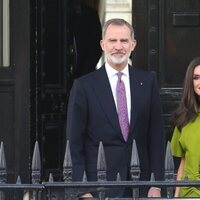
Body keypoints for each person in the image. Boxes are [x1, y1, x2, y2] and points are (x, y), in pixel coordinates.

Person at [66, 18, 164, 198]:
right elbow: (74, 142)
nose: (118, 46)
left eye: (124, 41)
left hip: (141, 185)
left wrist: (156, 185)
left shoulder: (148, 82)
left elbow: (156, 137)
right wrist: (83, 189)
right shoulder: (84, 86)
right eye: (112, 40)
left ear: (133, 45)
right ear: (103, 44)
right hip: (99, 187)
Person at [171, 57, 200, 197]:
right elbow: (183, 161)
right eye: (196, 78)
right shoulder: (184, 118)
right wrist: (176, 196)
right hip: (188, 193)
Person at [68, 0, 102, 79]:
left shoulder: (91, 14)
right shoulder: (57, 13)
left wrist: (85, 73)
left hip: (85, 75)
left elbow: (97, 47)